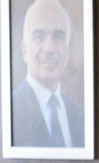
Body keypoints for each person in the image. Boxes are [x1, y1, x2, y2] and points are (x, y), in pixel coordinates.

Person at [12, 0, 85, 148]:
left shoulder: (81, 117)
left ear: (67, 50)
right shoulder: (10, 111)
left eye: (58, 37)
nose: (49, 49)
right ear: (25, 50)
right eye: (39, 37)